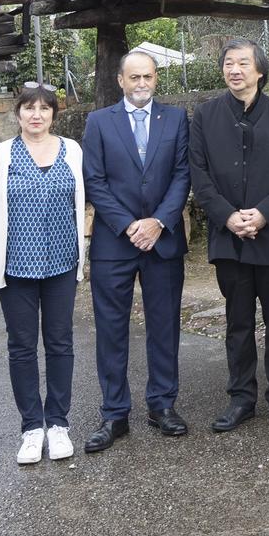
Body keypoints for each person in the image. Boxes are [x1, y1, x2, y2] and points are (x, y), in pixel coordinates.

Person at [188, 38, 269, 430]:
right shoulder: (205, 116)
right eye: (228, 63)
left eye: (242, 63)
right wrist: (228, 216)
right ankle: (241, 397)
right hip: (229, 237)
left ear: (259, 71)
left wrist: (263, 215)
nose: (234, 69)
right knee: (238, 321)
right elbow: (199, 176)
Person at [80, 50, 192, 453]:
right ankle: (114, 413)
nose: (142, 84)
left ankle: (162, 406)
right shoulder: (98, 122)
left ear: (155, 78)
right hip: (115, 242)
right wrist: (130, 225)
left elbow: (182, 174)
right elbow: (94, 180)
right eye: (134, 77)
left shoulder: (176, 119)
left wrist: (158, 221)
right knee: (112, 331)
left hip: (162, 240)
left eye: (148, 76)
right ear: (120, 80)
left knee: (164, 327)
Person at [0, 85, 87, 464]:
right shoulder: (0, 154)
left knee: (60, 342)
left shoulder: (72, 150)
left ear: (54, 113)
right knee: (21, 346)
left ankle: (57, 424)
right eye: (28, 108)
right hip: (16, 266)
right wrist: (11, 240)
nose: (36, 115)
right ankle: (30, 428)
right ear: (18, 114)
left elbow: (81, 199)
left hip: (61, 262)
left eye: (44, 108)